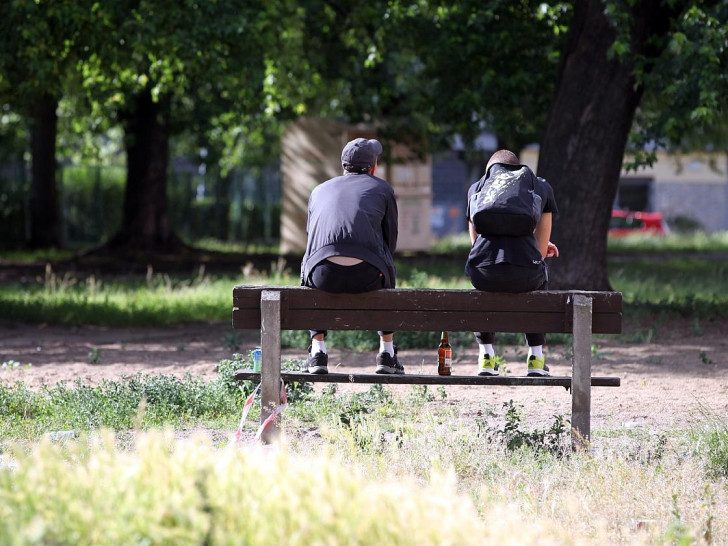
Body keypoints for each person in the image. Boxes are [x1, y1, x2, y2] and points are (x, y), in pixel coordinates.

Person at [300, 137, 403, 375]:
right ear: (373, 166)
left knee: (309, 260)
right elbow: (391, 242)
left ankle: (317, 351)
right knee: (386, 261)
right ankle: (386, 353)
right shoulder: (383, 189)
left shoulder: (318, 190)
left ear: (342, 164)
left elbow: (311, 238)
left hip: (322, 275)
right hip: (368, 275)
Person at [465, 149, 559, 376]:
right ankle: (536, 358)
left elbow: (475, 242)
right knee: (540, 275)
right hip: (524, 274)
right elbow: (540, 246)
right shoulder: (539, 186)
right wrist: (535, 251)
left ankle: (486, 356)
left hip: (484, 272)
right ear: (516, 168)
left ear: (491, 172)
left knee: (481, 285)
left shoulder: (477, 188)